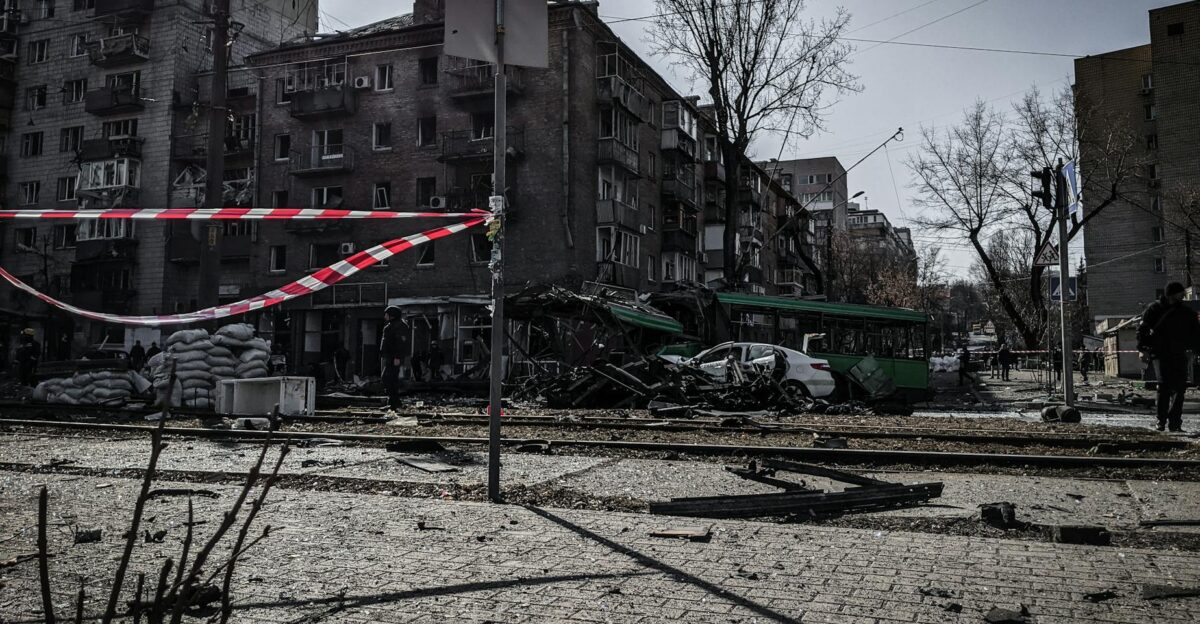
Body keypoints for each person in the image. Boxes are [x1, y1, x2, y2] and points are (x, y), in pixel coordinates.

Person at [1137, 281, 1200, 432]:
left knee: (1180, 389)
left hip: (1180, 353)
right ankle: (1161, 420)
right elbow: (1143, 330)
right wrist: (1143, 349)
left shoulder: (1186, 312)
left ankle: (1175, 422)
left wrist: (1196, 351)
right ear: (1171, 294)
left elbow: (1196, 334)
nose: (1183, 296)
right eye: (1180, 293)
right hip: (1160, 353)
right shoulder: (1154, 310)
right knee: (1164, 387)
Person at [379, 306, 406, 407]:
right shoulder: (391, 326)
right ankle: (394, 401)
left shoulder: (398, 326)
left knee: (388, 378)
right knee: (390, 378)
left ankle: (394, 402)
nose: (385, 315)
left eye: (386, 313)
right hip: (390, 356)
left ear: (392, 315)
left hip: (394, 357)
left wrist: (397, 357)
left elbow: (400, 343)